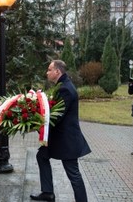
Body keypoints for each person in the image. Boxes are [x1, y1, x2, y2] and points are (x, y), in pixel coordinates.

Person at [30, 60, 91, 202]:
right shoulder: (62, 86)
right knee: (42, 156)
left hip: (67, 140)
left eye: (49, 69)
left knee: (73, 174)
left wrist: (37, 123)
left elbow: (57, 116)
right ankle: (48, 193)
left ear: (57, 71)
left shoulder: (65, 89)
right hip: (60, 138)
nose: (47, 72)